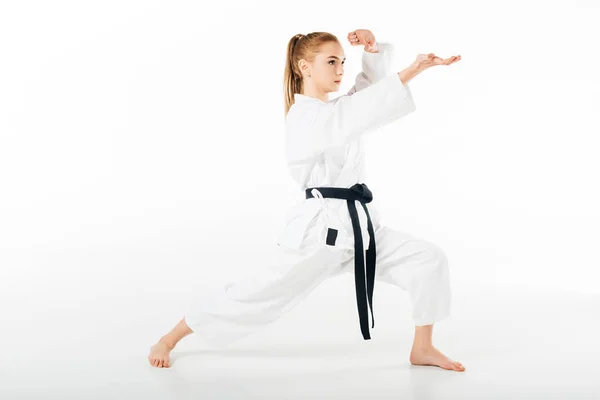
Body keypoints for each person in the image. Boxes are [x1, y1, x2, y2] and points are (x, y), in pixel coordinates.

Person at [148, 29, 464, 371]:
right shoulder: (304, 117)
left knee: (427, 259)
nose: (340, 69)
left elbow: (363, 100)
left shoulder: (336, 110)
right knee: (256, 294)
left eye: (343, 61)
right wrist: (411, 71)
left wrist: (372, 54)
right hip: (319, 235)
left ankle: (423, 347)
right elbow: (355, 113)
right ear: (304, 66)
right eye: (331, 61)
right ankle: (170, 337)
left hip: (358, 227)